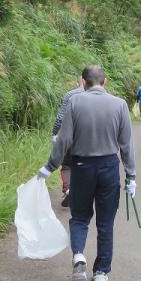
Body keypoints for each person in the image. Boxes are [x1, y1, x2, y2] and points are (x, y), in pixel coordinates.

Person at [38, 65, 136, 281]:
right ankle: (101, 271)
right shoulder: (120, 104)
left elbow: (63, 140)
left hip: (81, 167)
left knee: (80, 217)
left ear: (83, 81)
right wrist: (131, 176)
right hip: (109, 167)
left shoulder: (75, 102)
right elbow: (126, 145)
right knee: (105, 222)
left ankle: (79, 255)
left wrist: (50, 166)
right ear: (105, 81)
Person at [52, 75, 85, 208]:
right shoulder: (98, 96)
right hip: (88, 138)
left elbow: (61, 116)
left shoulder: (70, 95)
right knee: (85, 164)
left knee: (67, 165)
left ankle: (68, 188)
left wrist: (55, 133)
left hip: (69, 136)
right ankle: (83, 192)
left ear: (78, 83)